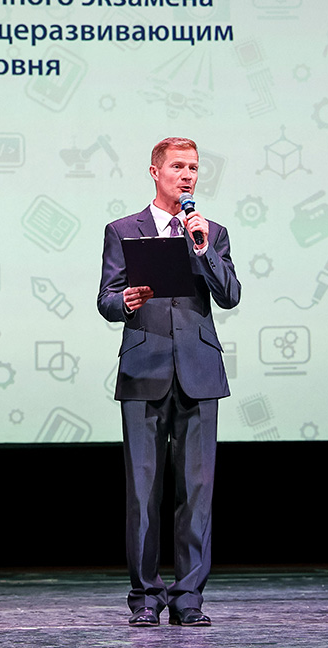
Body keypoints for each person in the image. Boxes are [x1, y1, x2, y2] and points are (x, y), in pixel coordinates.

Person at [97, 137, 242, 627]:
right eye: (178, 166)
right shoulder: (123, 230)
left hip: (199, 371)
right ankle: (145, 597)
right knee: (143, 492)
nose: (187, 175)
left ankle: (188, 598)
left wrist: (203, 249)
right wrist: (125, 302)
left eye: (193, 168)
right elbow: (106, 298)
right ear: (155, 172)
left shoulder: (212, 233)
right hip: (144, 370)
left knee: (196, 491)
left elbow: (230, 295)